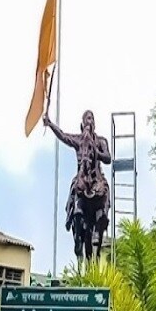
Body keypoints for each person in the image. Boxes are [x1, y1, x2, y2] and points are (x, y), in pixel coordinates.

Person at [43, 110, 112, 259]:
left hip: (96, 178)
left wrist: (96, 152)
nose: (90, 121)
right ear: (82, 124)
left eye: (92, 119)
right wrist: (49, 124)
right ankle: (72, 218)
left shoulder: (101, 141)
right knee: (74, 187)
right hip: (82, 177)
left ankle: (104, 215)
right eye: (87, 119)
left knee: (105, 188)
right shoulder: (78, 140)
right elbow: (62, 135)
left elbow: (108, 158)